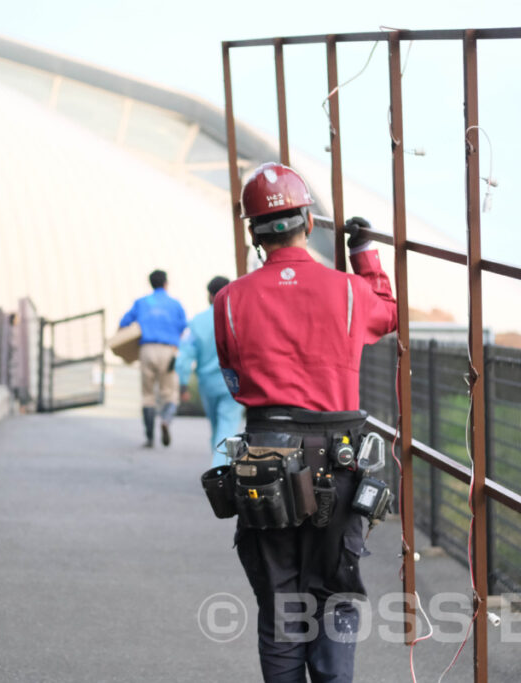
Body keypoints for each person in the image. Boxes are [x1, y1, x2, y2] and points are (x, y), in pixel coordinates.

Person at [213, 162, 398, 682]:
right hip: (336, 462)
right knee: (334, 597)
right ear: (309, 222)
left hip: (263, 463)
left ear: (254, 234)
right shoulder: (346, 291)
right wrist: (364, 255)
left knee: (280, 606)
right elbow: (387, 311)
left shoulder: (229, 301)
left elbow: (234, 377)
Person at [175, 276, 244, 468]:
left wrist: (183, 383)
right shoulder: (239, 318)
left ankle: (218, 464)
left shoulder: (197, 322)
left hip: (208, 384)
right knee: (227, 427)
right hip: (234, 384)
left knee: (216, 427)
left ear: (211, 296)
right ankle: (220, 468)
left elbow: (184, 358)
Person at [119, 269, 186, 448]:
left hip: (146, 349)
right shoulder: (175, 304)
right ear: (166, 283)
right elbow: (182, 326)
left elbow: (124, 323)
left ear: (151, 284)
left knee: (148, 395)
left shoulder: (141, 302)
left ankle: (149, 438)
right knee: (170, 393)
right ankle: (165, 420)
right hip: (168, 350)